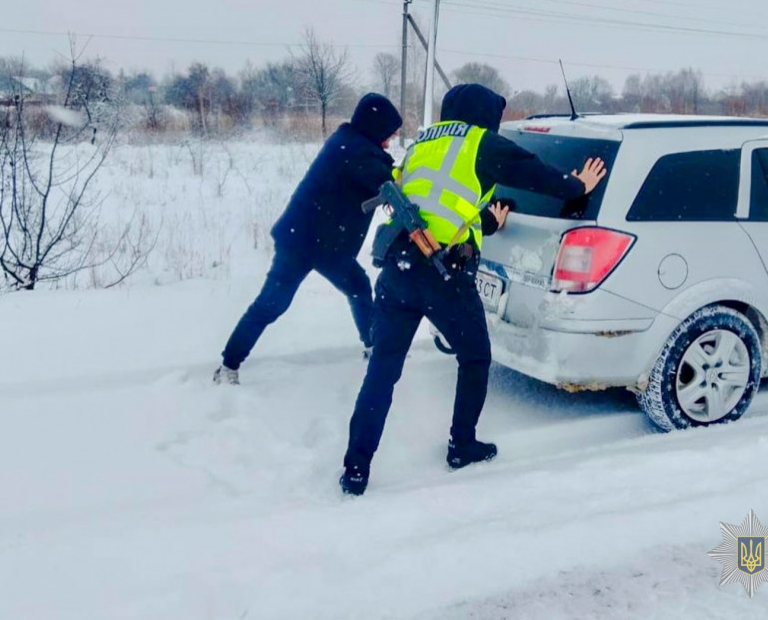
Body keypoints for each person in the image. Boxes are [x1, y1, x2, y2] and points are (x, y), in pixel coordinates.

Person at [340, 83, 607, 495]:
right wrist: (579, 186)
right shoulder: (481, 142)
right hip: (443, 276)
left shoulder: (422, 145)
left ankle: (355, 469)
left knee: (383, 370)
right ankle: (461, 446)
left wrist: (486, 224)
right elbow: (536, 174)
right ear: (484, 115)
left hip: (398, 267)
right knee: (475, 358)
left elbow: (433, 204)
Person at [213, 93, 402, 385]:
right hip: (309, 243)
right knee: (273, 304)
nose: (389, 141)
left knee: (354, 287)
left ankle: (372, 345)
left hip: (317, 243)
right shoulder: (356, 151)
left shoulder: (348, 141)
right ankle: (228, 365)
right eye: (388, 135)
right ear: (375, 127)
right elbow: (390, 182)